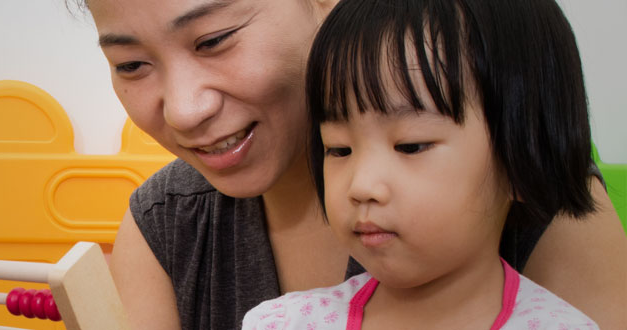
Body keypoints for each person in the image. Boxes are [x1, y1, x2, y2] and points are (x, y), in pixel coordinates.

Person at [78, 0, 627, 329]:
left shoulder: (540, 196)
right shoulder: (165, 224)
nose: (184, 110)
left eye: (214, 39)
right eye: (130, 64)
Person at [241, 0, 599, 328]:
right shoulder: (284, 322)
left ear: (523, 157)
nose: (361, 186)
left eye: (410, 146)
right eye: (339, 149)